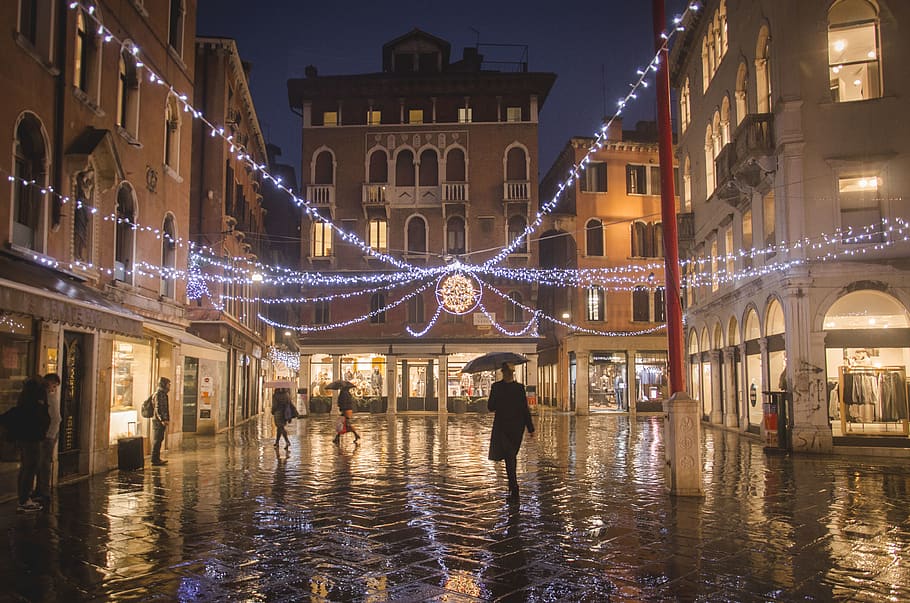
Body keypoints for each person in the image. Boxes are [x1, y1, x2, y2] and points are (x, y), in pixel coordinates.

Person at [487, 362, 535, 498]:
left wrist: (531, 428)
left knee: (510, 456)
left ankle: (513, 486)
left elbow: (491, 406)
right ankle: (513, 486)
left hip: (503, 427)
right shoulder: (519, 388)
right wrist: (530, 428)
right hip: (516, 427)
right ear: (512, 373)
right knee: (511, 456)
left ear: (503, 372)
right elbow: (524, 409)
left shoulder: (496, 387)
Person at [14, 378, 50, 512]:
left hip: (28, 436)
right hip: (32, 437)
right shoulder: (36, 398)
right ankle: (24, 500)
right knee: (31, 466)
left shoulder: (25, 397)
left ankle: (23, 498)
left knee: (26, 467)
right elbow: (39, 416)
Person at [33, 373, 61, 506]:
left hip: (48, 436)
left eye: (55, 386)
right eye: (53, 385)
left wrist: (49, 435)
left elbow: (56, 418)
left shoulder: (50, 397)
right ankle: (40, 491)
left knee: (44, 464)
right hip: (47, 434)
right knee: (42, 463)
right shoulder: (47, 396)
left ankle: (43, 492)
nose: (53, 388)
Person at [150, 377, 170, 466]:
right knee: (157, 440)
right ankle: (154, 459)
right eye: (168, 384)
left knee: (159, 439)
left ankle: (156, 458)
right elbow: (159, 408)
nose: (169, 386)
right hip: (158, 421)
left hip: (159, 420)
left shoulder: (161, 393)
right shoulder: (159, 394)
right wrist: (163, 419)